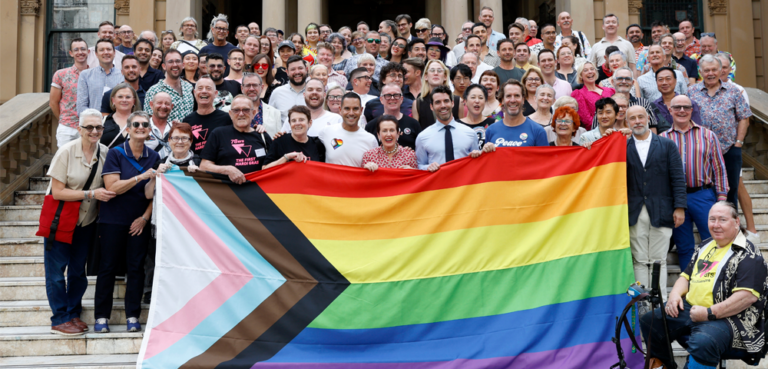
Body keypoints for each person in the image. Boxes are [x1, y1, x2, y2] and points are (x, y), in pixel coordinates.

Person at [641, 201, 768, 369]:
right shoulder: (706, 245)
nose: (716, 225)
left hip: (731, 318)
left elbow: (745, 297)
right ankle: (664, 366)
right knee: (650, 321)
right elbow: (685, 277)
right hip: (692, 308)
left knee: (703, 342)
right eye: (712, 219)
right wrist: (674, 295)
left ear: (736, 222)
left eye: (722, 220)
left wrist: (708, 313)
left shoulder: (749, 254)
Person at [44, 109, 114, 336]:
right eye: (89, 127)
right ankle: (59, 318)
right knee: (56, 273)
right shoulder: (66, 151)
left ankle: (73, 313)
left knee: (77, 273)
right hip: (61, 221)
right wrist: (91, 195)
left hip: (86, 222)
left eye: (99, 128)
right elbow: (57, 192)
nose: (95, 131)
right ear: (79, 129)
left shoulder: (105, 152)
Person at [95, 111, 159, 334]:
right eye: (136, 124)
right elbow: (112, 187)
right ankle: (102, 317)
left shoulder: (154, 157)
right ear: (128, 129)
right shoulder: (115, 153)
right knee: (108, 268)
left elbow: (155, 195)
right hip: (112, 220)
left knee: (136, 269)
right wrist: (139, 178)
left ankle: (133, 315)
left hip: (138, 222)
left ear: (150, 130)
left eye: (145, 125)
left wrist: (144, 218)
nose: (141, 127)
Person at [659, 94, 728, 271]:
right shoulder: (662, 139)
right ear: (670, 110)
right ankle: (688, 288)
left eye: (686, 107)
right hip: (675, 200)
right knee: (684, 245)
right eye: (677, 107)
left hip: (702, 195)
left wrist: (721, 197)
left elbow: (719, 168)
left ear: (692, 110)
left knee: (712, 242)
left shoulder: (708, 135)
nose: (682, 111)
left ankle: (711, 284)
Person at [623, 105, 687, 299]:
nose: (637, 121)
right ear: (627, 123)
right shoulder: (621, 147)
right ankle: (642, 301)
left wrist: (680, 207)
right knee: (640, 259)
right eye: (632, 118)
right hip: (634, 211)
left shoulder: (667, 145)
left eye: (640, 117)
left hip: (662, 209)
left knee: (659, 258)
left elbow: (677, 177)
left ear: (648, 118)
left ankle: (660, 303)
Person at [688, 54, 752, 208]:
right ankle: (709, 222)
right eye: (707, 70)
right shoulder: (691, 91)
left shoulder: (734, 91)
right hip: (700, 149)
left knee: (731, 189)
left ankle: (730, 227)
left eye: (714, 69)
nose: (711, 73)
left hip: (729, 149)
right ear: (700, 72)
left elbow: (744, 117)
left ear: (720, 70)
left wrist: (738, 143)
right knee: (705, 189)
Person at [200, 95, 272, 183]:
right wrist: (227, 169)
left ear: (253, 113)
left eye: (246, 110)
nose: (241, 114)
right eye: (236, 110)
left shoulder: (262, 136)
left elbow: (274, 164)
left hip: (259, 190)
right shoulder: (218, 134)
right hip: (229, 192)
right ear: (230, 114)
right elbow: (203, 166)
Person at [415, 85, 483, 171]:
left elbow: (477, 164)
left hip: (464, 183)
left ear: (452, 103)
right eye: (438, 102)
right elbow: (419, 165)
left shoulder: (470, 133)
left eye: (446, 101)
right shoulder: (422, 137)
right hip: (438, 183)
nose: (443, 105)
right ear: (431, 107)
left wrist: (477, 155)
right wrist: (427, 167)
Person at [592, 67, 662, 132]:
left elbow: (652, 127)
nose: (624, 81)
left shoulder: (643, 103)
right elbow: (595, 130)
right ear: (613, 82)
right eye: (620, 79)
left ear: (632, 83)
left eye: (627, 79)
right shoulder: (603, 104)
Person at [318, 93, 378, 167]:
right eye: (347, 108)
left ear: (361, 110)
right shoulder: (326, 132)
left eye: (355, 109)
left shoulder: (370, 140)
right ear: (340, 110)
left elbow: (375, 167)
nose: (351, 113)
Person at [484, 80, 548, 148]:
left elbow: (545, 158)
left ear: (523, 100)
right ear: (502, 100)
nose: (513, 100)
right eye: (508, 96)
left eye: (517, 95)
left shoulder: (537, 131)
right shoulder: (491, 130)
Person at [51, 38, 89, 147]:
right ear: (71, 53)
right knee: (65, 161)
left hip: (89, 127)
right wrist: (63, 120)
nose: (80, 52)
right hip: (67, 127)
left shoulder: (94, 74)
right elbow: (53, 102)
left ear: (88, 52)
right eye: (76, 50)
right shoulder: (61, 74)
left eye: (83, 49)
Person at [182, 77, 233, 156]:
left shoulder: (227, 118)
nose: (204, 91)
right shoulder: (187, 121)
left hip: (219, 166)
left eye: (208, 88)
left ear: (215, 93)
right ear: (194, 93)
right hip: (195, 166)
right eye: (200, 88)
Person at [144, 49, 195, 122]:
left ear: (183, 65)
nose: (175, 65)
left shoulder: (189, 87)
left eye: (177, 61)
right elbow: (148, 120)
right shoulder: (153, 91)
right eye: (170, 62)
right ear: (164, 66)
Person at [365, 84, 421, 150]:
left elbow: (420, 151)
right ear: (381, 100)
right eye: (388, 95)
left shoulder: (413, 124)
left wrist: (411, 153)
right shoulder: (371, 126)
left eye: (396, 95)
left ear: (402, 99)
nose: (392, 98)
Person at [77, 39, 124, 115]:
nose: (106, 52)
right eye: (101, 50)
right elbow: (81, 106)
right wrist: (93, 120)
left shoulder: (123, 75)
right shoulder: (85, 75)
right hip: (92, 123)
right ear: (96, 54)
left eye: (109, 49)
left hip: (116, 124)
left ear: (114, 53)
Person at [413, 60, 460, 129]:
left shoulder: (457, 101)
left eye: (439, 71)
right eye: (432, 70)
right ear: (426, 76)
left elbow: (462, 127)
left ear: (445, 77)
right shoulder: (417, 103)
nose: (435, 73)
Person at [651, 67, 699, 131]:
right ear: (656, 82)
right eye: (660, 79)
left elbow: (697, 129)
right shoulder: (652, 107)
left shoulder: (690, 103)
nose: (664, 82)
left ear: (675, 81)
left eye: (668, 79)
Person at [571, 61, 615, 130]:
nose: (590, 72)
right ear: (580, 75)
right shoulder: (578, 94)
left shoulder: (610, 90)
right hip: (596, 132)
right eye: (585, 70)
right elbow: (587, 121)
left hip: (615, 129)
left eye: (592, 69)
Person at [240, 72, 282, 138]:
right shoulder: (228, 111)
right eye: (248, 85)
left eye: (255, 85)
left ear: (262, 87)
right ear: (242, 88)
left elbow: (278, 140)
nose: (251, 89)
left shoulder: (275, 113)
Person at [100, 83, 141, 149]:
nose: (124, 100)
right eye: (120, 97)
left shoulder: (142, 122)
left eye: (128, 97)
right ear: (113, 100)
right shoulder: (102, 122)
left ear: (134, 101)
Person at [269, 55, 308, 122]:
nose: (297, 72)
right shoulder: (277, 93)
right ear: (287, 72)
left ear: (306, 69)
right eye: (293, 69)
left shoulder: (314, 93)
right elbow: (270, 119)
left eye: (300, 68)